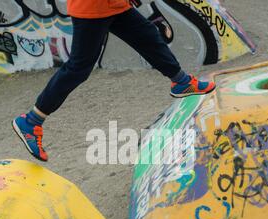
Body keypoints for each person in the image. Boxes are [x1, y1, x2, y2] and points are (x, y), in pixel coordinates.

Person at [12, 0, 216, 162]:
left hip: (114, 6)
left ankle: (181, 82)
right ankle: (30, 121)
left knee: (148, 37)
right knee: (78, 68)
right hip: (91, 8)